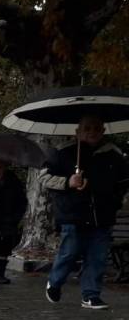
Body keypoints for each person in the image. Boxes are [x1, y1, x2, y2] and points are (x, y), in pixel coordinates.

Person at [43, 115, 129, 309]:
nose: (92, 132)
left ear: (103, 131)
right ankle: (55, 282)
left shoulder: (114, 154)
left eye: (97, 129)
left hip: (102, 215)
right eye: (87, 128)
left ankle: (90, 295)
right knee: (69, 253)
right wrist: (68, 182)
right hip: (73, 213)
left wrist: (115, 201)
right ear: (78, 131)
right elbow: (44, 178)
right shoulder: (63, 152)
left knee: (97, 256)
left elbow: (123, 183)